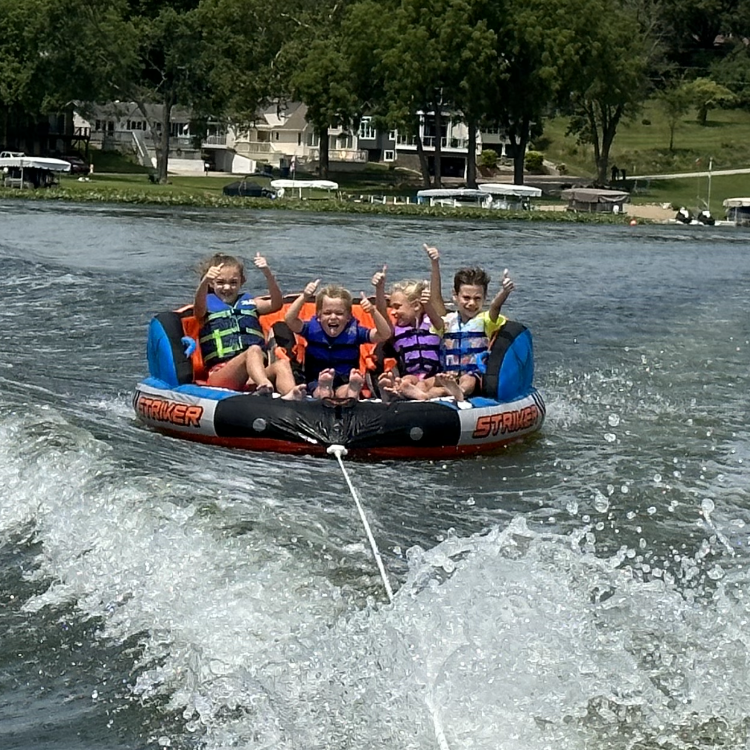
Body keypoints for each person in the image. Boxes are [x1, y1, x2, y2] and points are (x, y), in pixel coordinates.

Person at [194, 252, 304, 398]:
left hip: (254, 373)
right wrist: (205, 280)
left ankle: (293, 397)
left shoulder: (250, 303)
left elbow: (277, 304)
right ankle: (265, 386)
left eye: (233, 282)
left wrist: (267, 274)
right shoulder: (205, 305)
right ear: (211, 283)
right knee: (253, 350)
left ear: (242, 281)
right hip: (221, 374)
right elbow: (198, 307)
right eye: (220, 282)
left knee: (281, 365)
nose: (227, 288)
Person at [426, 244, 515, 400]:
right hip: (449, 375)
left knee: (468, 381)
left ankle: (457, 392)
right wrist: (435, 264)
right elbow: (435, 300)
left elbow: (495, 306)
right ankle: (419, 394)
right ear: (455, 296)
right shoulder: (447, 321)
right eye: (466, 298)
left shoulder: (486, 320)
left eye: (477, 298)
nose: (472, 303)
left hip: (474, 376)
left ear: (484, 298)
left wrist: (505, 291)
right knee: (425, 384)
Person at [284, 275, 392, 399]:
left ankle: (352, 391)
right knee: (319, 390)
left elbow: (384, 334)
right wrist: (304, 296)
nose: (333, 317)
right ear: (318, 316)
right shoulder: (309, 329)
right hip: (316, 380)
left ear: (348, 317)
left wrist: (373, 311)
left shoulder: (356, 332)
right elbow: (289, 319)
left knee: (344, 391)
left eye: (340, 313)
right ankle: (325, 390)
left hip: (345, 380)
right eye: (327, 313)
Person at [375, 272, 448, 402]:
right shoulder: (395, 331)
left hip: (435, 376)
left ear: (415, 305)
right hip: (412, 375)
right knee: (406, 381)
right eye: (391, 307)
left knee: (439, 386)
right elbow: (381, 312)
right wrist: (379, 288)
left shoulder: (434, 324)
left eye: (397, 307)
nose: (392, 312)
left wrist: (434, 263)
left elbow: (437, 299)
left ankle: (415, 394)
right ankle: (396, 389)